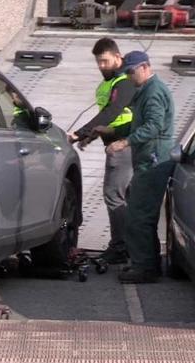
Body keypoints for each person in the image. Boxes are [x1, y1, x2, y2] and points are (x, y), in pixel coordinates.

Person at [105, 50, 175, 283]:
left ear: (145, 67)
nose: (129, 77)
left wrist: (124, 142)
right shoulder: (145, 90)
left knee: (139, 216)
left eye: (131, 72)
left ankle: (144, 268)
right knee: (143, 214)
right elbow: (140, 125)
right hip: (149, 160)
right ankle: (147, 263)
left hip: (153, 161)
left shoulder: (153, 92)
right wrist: (113, 132)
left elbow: (154, 126)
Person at [68, 38, 136, 264]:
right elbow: (108, 117)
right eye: (98, 62)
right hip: (117, 145)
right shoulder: (112, 81)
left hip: (123, 147)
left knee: (114, 196)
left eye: (105, 61)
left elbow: (113, 112)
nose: (101, 66)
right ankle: (127, 247)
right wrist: (91, 135)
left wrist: (81, 132)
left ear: (118, 57)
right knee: (123, 198)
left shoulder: (124, 81)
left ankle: (119, 248)